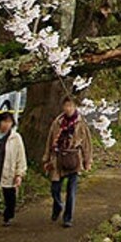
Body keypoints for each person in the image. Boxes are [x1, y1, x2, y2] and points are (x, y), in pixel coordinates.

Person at [43, 95, 92, 228]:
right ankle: (58, 206)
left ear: (75, 107)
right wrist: (46, 158)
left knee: (71, 191)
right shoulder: (57, 122)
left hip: (74, 159)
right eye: (66, 105)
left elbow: (86, 143)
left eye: (71, 105)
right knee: (55, 188)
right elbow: (49, 140)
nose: (68, 108)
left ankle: (68, 218)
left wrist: (88, 160)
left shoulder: (81, 123)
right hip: (57, 159)